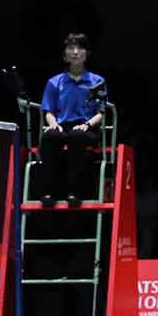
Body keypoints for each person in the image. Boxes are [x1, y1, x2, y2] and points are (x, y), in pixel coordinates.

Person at [38, 33, 106, 205]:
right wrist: (54, 124)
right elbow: (48, 111)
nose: (75, 52)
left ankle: (74, 191)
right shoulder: (54, 82)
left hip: (87, 128)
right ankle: (48, 192)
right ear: (65, 55)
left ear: (87, 54)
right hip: (62, 126)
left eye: (80, 48)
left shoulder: (97, 81)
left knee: (77, 137)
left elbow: (101, 112)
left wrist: (87, 124)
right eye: (71, 48)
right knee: (50, 137)